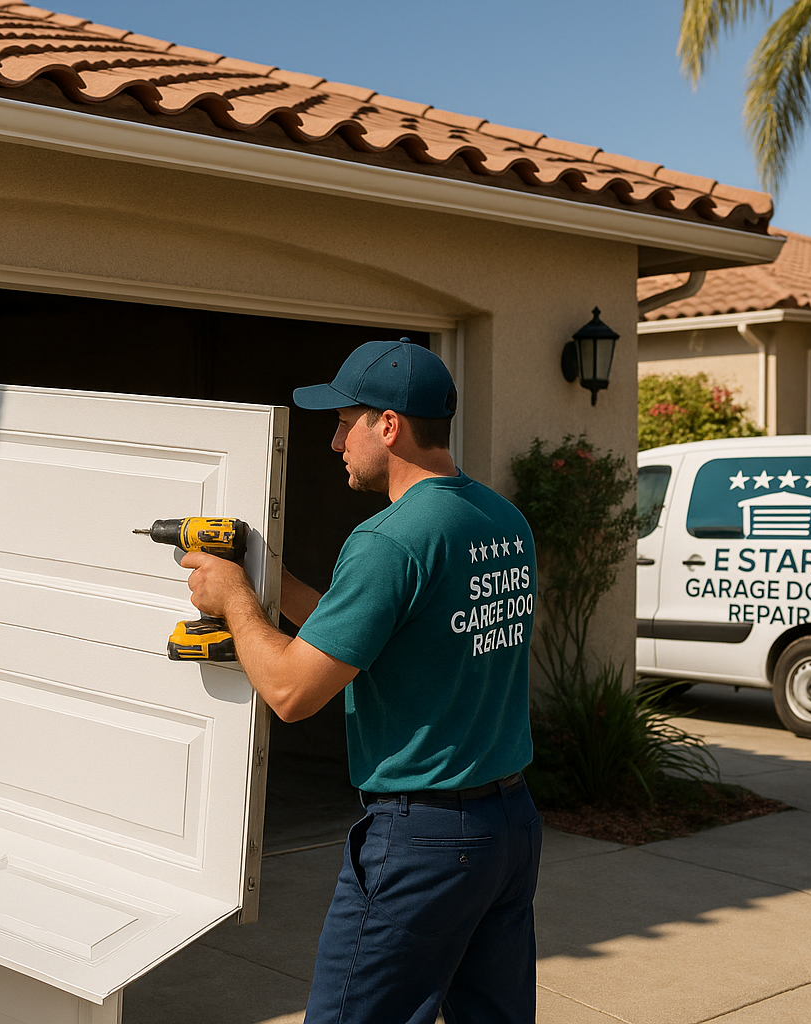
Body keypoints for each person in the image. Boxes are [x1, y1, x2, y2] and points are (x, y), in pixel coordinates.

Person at [183, 340, 540, 1024]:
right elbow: (375, 636)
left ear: (389, 425)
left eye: (346, 421)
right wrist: (272, 584)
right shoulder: (501, 520)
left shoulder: (388, 540)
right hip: (509, 827)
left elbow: (292, 692)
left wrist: (234, 601)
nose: (334, 440)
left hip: (425, 837)